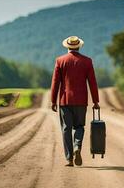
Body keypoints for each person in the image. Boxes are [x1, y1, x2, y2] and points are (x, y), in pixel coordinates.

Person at [51, 36, 100, 166]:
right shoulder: (87, 61)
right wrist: (96, 101)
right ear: (79, 46)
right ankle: (77, 146)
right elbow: (92, 83)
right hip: (81, 101)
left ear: (67, 46)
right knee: (79, 126)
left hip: (64, 101)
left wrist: (52, 101)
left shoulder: (60, 61)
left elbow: (55, 83)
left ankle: (69, 158)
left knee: (66, 129)